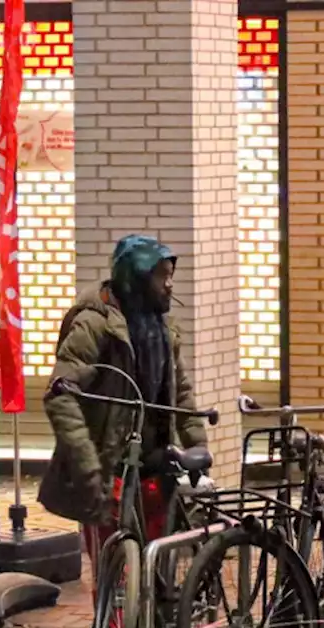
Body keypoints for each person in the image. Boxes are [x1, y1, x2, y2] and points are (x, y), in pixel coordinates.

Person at [40, 234, 209, 589]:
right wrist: (87, 464)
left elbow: (182, 393)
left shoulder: (163, 329)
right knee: (116, 575)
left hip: (155, 464)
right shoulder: (94, 324)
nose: (169, 285)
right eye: (162, 276)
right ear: (136, 277)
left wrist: (198, 448)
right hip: (110, 469)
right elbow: (60, 394)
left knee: (159, 568)